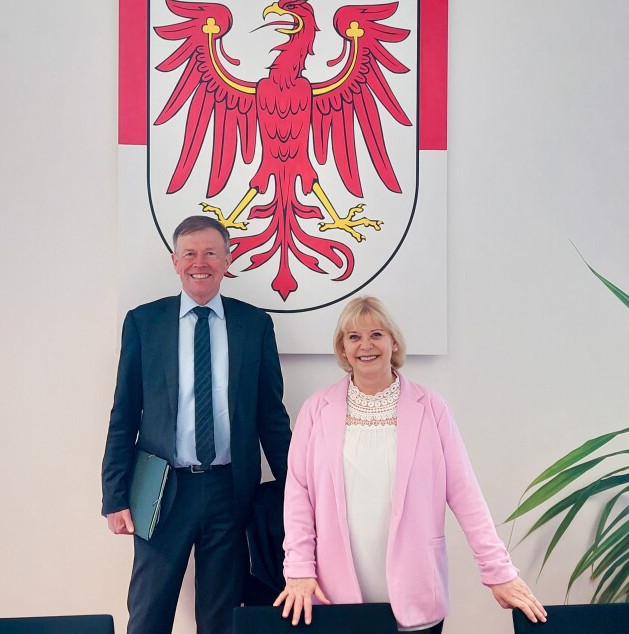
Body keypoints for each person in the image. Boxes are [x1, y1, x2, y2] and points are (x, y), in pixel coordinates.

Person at [275, 296, 547, 632]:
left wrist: (498, 571)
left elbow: (465, 493)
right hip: (335, 592)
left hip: (416, 586)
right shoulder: (316, 410)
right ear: (342, 349)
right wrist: (299, 568)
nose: (366, 346)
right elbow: (298, 496)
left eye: (376, 334)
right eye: (354, 337)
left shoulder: (432, 408)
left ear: (394, 342)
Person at [101, 215, 292, 634]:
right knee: (149, 613)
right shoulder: (144, 323)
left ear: (227, 259)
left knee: (222, 618)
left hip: (229, 491)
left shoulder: (254, 325)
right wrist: (114, 495)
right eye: (189, 253)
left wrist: (298, 493)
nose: (199, 262)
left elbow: (271, 418)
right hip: (161, 490)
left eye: (210, 253)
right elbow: (124, 413)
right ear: (175, 261)